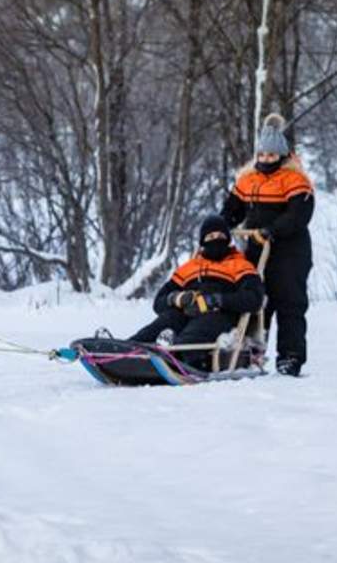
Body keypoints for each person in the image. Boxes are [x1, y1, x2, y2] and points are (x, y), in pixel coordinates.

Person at [221, 113, 314, 376]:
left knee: (289, 303)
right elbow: (233, 209)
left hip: (289, 251)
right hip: (256, 247)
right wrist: (220, 227)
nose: (265, 161)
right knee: (254, 301)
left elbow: (298, 215)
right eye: (261, 156)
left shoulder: (295, 180)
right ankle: (250, 353)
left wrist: (273, 230)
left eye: (271, 156)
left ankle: (290, 357)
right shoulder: (247, 179)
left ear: (282, 156)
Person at [128, 215, 266, 369]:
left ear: (227, 239)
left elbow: (254, 299)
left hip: (220, 315)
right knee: (167, 319)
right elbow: (159, 302)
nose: (216, 240)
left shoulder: (240, 266)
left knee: (194, 333)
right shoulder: (189, 267)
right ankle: (129, 349)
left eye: (220, 236)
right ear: (202, 241)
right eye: (211, 236)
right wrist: (177, 298)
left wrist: (215, 300)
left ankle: (175, 358)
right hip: (188, 312)